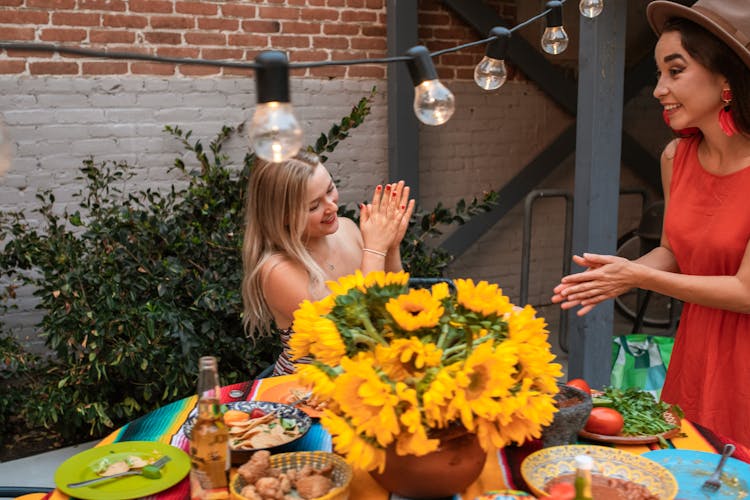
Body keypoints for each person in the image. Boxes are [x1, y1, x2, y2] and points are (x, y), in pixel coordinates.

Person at [552, 0, 750, 447]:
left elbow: (745, 292)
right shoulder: (675, 158)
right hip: (697, 356)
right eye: (659, 73)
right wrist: (620, 274)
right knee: (688, 467)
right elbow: (676, 254)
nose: (659, 89)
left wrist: (638, 275)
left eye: (675, 71)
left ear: (726, 79)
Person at [241, 151, 415, 375]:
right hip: (306, 394)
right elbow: (352, 336)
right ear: (282, 216)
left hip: (371, 377)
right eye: (314, 206)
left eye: (330, 189)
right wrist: (375, 250)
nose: (331, 206)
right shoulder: (276, 270)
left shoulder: (348, 228)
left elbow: (397, 305)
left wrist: (391, 247)